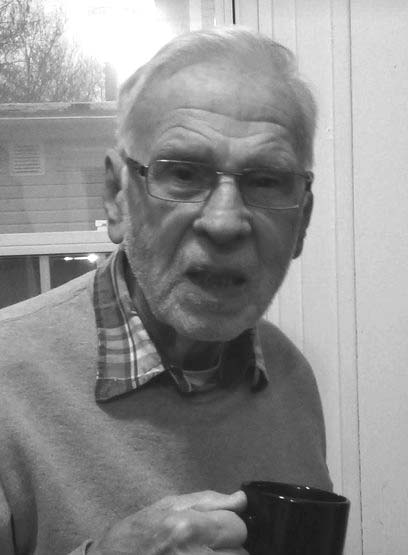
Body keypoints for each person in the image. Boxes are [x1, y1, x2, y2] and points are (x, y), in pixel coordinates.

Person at [0, 27, 331, 555]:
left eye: (266, 181)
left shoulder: (291, 377)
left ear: (303, 222)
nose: (224, 222)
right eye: (183, 174)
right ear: (117, 196)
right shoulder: (8, 381)